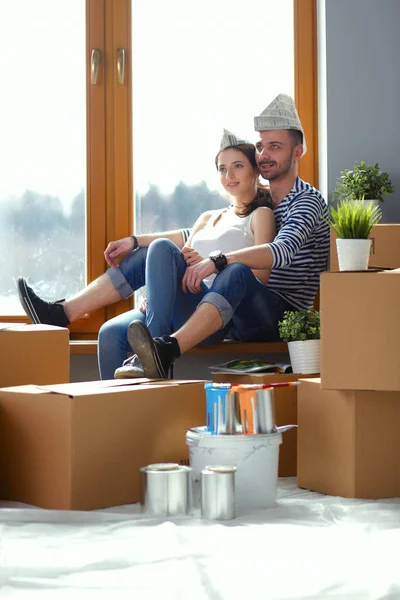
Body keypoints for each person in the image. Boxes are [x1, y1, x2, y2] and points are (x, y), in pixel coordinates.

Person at [17, 130, 275, 379]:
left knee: (161, 247)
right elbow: (178, 248)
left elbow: (259, 277)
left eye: (238, 166)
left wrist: (212, 264)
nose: (228, 174)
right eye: (222, 168)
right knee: (109, 333)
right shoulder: (208, 217)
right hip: (179, 302)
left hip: (210, 314)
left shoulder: (260, 215)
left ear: (255, 170)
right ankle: (114, 410)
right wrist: (153, 284)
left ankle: (151, 347)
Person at [118, 93, 331, 379]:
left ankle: (166, 349)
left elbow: (280, 251)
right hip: (235, 312)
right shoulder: (265, 202)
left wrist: (216, 261)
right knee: (118, 322)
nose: (265, 155)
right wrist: (135, 241)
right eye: (261, 146)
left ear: (298, 153)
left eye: (276, 147)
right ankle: (66, 316)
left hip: (280, 315)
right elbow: (193, 233)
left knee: (236, 272)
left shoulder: (306, 201)